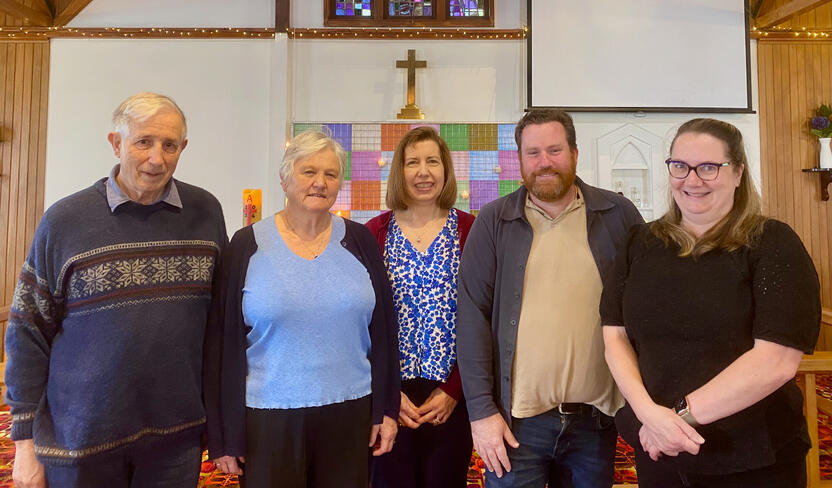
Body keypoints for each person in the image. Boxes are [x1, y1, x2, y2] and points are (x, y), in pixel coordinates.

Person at [5, 92, 228, 488]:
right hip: (81, 439)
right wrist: (24, 442)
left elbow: (219, 324)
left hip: (176, 440)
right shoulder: (65, 221)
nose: (156, 158)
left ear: (183, 148)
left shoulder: (205, 213)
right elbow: (27, 330)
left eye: (169, 145)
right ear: (116, 143)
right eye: (143, 142)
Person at [600, 117, 821, 488]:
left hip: (752, 457)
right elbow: (615, 337)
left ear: (738, 172)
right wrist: (648, 414)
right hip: (659, 451)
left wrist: (677, 420)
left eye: (708, 167)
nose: (692, 180)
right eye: (680, 166)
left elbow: (777, 361)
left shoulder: (772, 243)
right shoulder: (639, 243)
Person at [457, 108, 644, 488]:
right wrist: (481, 412)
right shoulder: (494, 221)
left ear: (574, 153)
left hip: (596, 422)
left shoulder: (617, 214)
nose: (544, 162)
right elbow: (472, 317)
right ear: (520, 160)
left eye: (555, 150)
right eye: (533, 153)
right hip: (516, 425)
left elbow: (645, 303)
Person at [204, 129, 400, 488]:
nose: (320, 182)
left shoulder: (360, 240)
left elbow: (384, 333)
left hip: (351, 413)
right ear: (284, 179)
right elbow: (220, 343)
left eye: (330, 174)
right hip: (268, 420)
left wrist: (387, 410)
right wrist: (223, 435)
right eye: (308, 171)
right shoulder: (247, 245)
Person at [366, 126, 476, 488]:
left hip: (450, 394)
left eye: (432, 161)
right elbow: (362, 323)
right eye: (412, 162)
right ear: (400, 171)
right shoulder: (374, 233)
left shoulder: (470, 230)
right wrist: (388, 395)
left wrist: (454, 391)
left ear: (446, 170)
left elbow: (483, 317)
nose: (423, 172)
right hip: (391, 395)